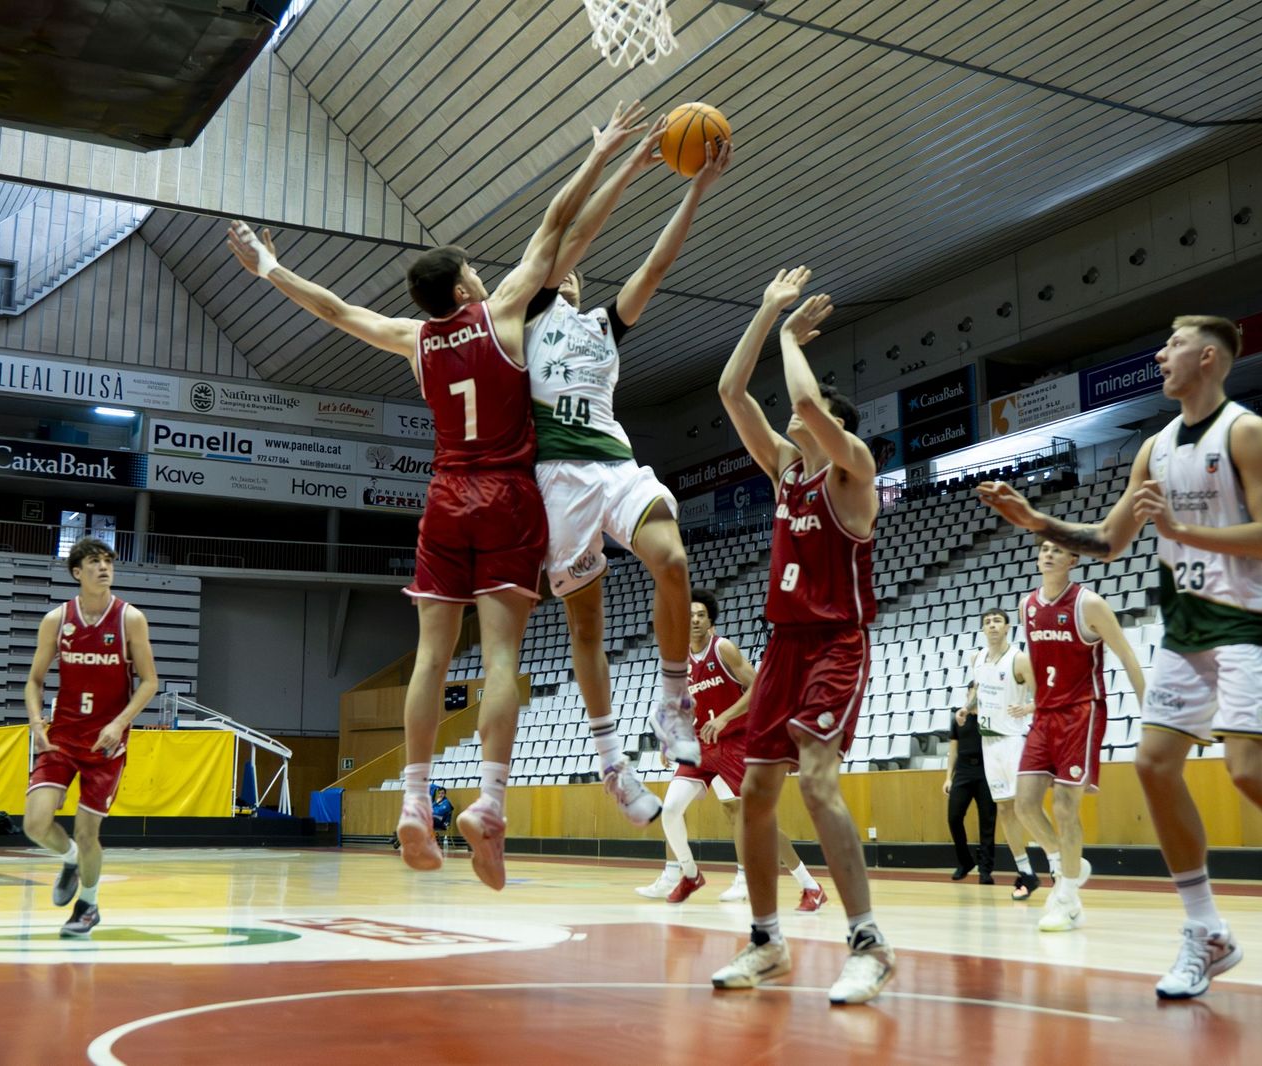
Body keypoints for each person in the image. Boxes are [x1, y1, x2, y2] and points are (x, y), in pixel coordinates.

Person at [226, 104, 650, 890]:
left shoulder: (412, 339)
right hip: (508, 497)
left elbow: (334, 309)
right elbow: (561, 230)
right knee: (499, 659)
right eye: (474, 273)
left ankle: (416, 802)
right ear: (463, 284)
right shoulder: (504, 315)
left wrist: (269, 271)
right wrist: (600, 159)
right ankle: (489, 802)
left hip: (446, 496)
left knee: (430, 657)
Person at [978, 314, 1262, 998]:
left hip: (1250, 620)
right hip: (1185, 626)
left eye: (1172, 344)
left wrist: (1178, 528)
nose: (1160, 353)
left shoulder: (1246, 433)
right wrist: (1036, 521)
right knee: (1153, 765)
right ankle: (1207, 931)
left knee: (1247, 771)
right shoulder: (1156, 447)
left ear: (1208, 358)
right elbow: (1109, 541)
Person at [520, 135, 733, 821]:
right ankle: (612, 759)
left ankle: (675, 699)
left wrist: (695, 188)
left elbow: (659, 262)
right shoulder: (524, 316)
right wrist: (627, 165)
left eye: (581, 275)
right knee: (586, 625)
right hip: (556, 481)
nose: (574, 276)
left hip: (613, 466)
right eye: (566, 272)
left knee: (672, 559)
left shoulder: (605, 327)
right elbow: (564, 235)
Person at [710, 267, 893, 1006]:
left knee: (816, 782)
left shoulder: (853, 473)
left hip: (834, 643)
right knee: (756, 793)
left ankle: (868, 944)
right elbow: (730, 392)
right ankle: (767, 941)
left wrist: (790, 335)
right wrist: (762, 312)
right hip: (782, 646)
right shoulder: (786, 472)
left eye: (805, 421)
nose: (792, 421)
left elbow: (808, 401)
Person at [634, 588, 827, 910]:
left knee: (757, 820)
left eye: (700, 615)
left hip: (736, 742)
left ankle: (810, 885)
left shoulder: (723, 649)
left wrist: (724, 717)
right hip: (700, 746)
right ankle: (691, 875)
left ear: (710, 622)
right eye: (689, 615)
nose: (694, 620)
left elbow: (759, 686)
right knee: (669, 810)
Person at [23, 537, 160, 938]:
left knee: (88, 833)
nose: (104, 568)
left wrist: (119, 723)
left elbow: (150, 681)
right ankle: (68, 859)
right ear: (76, 572)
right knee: (34, 823)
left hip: (106, 742)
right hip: (62, 736)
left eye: (107, 562)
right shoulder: (56, 620)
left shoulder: (130, 619)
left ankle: (89, 905)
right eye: (94, 562)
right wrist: (35, 722)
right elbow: (34, 681)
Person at [1010, 538, 1144, 931]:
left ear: (1073, 559)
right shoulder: (1027, 606)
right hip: (1046, 714)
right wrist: (1036, 702)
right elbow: (1039, 665)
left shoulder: (1089, 604)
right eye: (1043, 549)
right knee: (1025, 804)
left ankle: (1066, 899)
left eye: (1057, 550)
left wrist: (1149, 709)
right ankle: (1064, 862)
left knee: (1066, 807)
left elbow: (1126, 655)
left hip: (1082, 711)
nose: (1048, 554)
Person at [961, 608, 1049, 900]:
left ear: (1008, 627)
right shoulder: (977, 659)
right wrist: (966, 707)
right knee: (1005, 809)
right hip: (990, 743)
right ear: (983, 629)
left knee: (1028, 806)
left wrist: (1028, 707)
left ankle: (1059, 863)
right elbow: (978, 694)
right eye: (987, 622)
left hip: (1014, 739)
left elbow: (1045, 697)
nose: (992, 626)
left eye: (997, 621)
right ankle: (1026, 872)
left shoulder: (1019, 659)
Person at [942, 705, 995, 883]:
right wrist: (948, 777)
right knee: (954, 817)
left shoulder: (990, 716)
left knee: (987, 821)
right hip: (963, 772)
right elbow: (953, 751)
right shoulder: (958, 719)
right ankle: (965, 862)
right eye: (972, 690)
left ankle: (985, 870)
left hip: (985, 771)